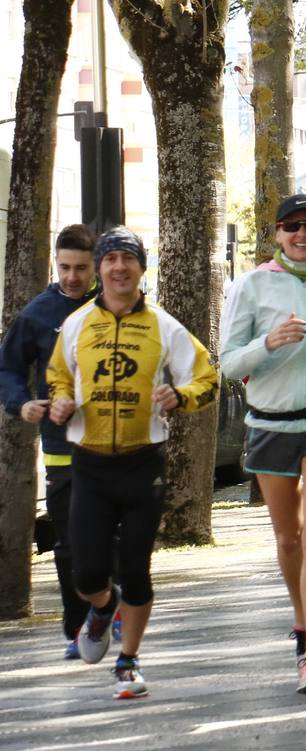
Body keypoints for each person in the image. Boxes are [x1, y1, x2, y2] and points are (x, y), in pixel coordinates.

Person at [47, 226, 219, 699]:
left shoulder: (164, 326)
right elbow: (58, 376)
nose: (119, 267)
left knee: (138, 567)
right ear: (100, 269)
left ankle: (128, 660)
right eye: (110, 260)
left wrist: (179, 396)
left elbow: (208, 378)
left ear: (142, 269)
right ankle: (103, 609)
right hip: (90, 464)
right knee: (86, 573)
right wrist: (60, 401)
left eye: (128, 259)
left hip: (144, 464)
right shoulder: (78, 324)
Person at [221, 195, 306, 695]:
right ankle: (302, 621)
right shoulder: (251, 286)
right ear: (277, 233)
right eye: (292, 226)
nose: (303, 234)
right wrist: (269, 343)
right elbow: (228, 364)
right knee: (289, 538)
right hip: (271, 422)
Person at [0, 224, 98, 659]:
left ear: (96, 265)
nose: (72, 277)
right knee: (69, 542)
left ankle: (107, 606)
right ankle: (76, 626)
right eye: (64, 268)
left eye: (80, 268)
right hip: (62, 445)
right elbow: (6, 368)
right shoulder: (38, 314)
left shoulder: (119, 305)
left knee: (110, 535)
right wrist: (21, 403)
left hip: (118, 443)